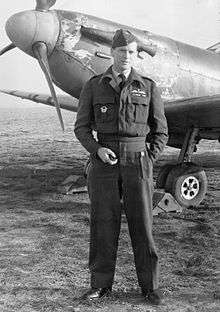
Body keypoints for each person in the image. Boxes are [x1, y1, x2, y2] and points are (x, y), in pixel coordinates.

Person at [74, 29, 168, 305]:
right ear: (111, 53)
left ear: (134, 54)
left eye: (130, 51)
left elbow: (161, 132)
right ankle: (101, 286)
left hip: (138, 161)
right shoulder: (93, 85)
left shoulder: (148, 86)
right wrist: (96, 150)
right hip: (104, 163)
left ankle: (149, 287)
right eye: (120, 51)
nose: (125, 56)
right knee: (103, 224)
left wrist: (148, 159)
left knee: (143, 225)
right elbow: (81, 128)